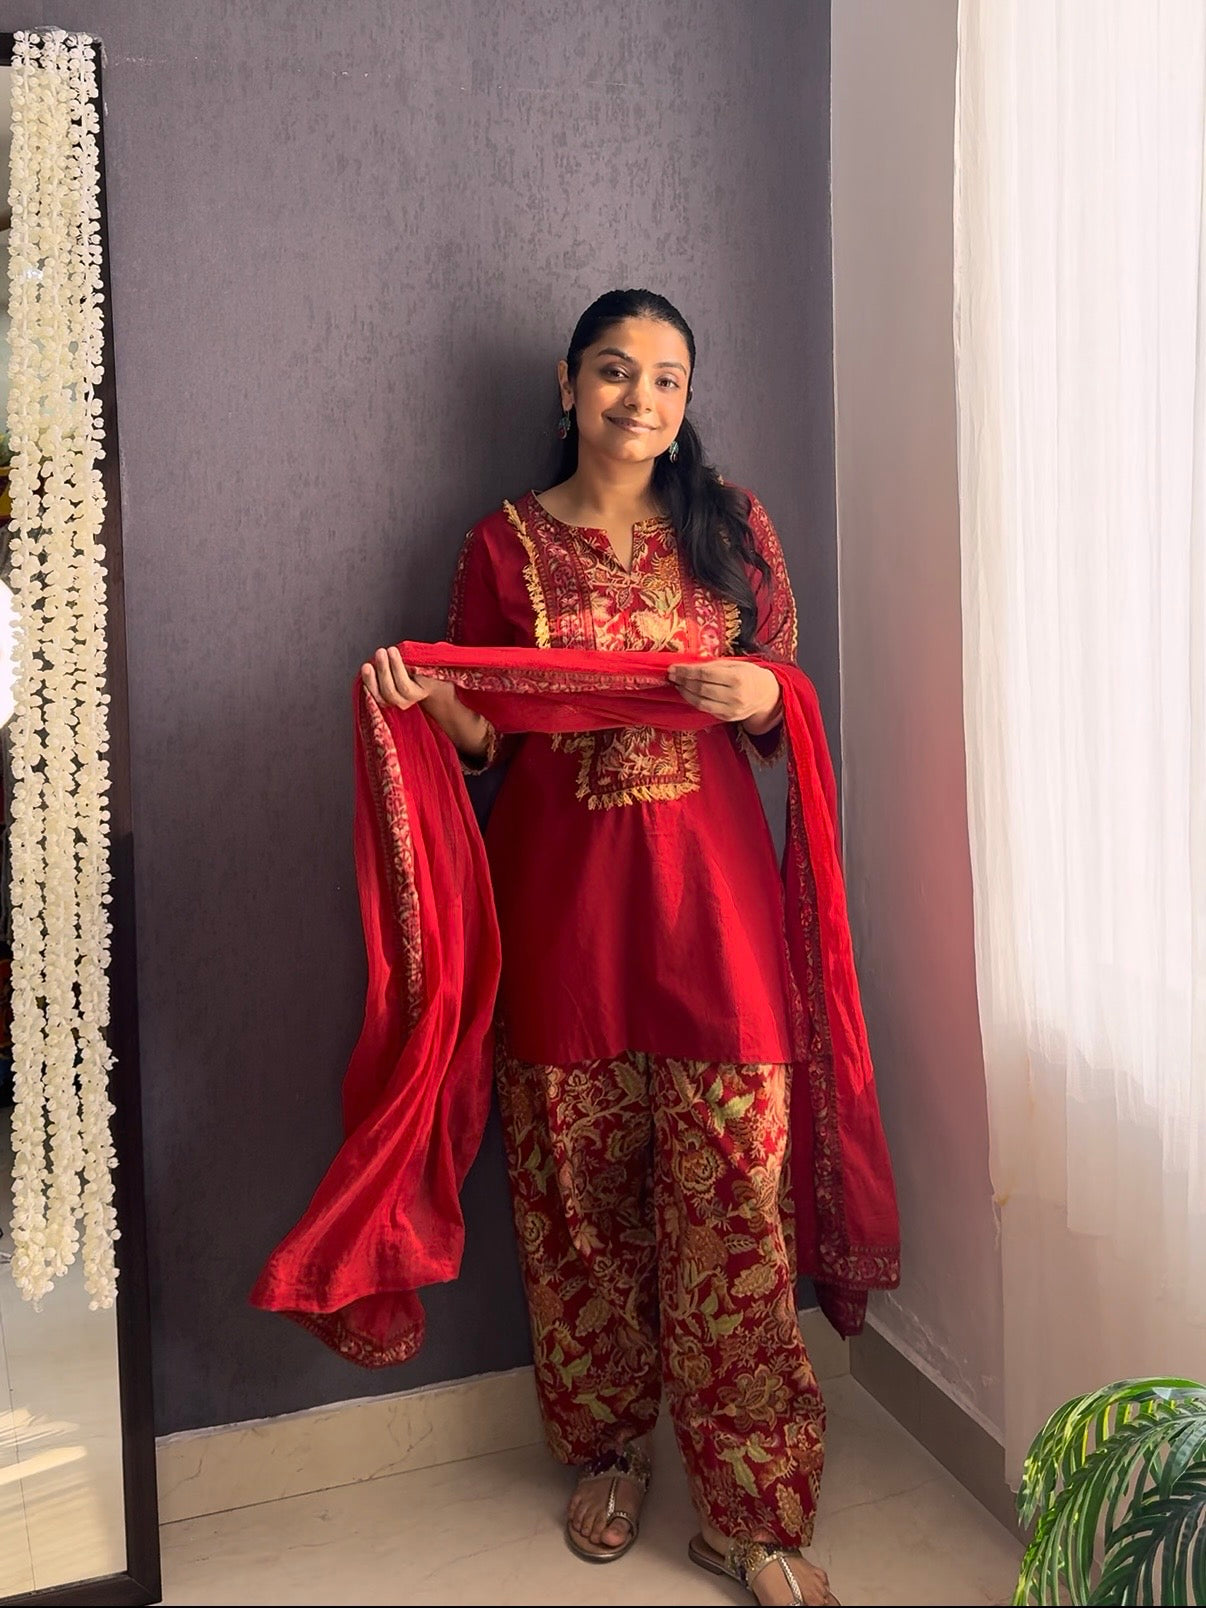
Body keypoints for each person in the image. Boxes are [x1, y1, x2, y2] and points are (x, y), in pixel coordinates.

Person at [360, 289, 848, 1607]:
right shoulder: (501, 546)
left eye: (668, 378)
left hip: (715, 922)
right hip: (564, 915)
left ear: (687, 402)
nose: (642, 398)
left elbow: (782, 706)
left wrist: (766, 689)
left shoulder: (731, 526)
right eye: (617, 371)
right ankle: (610, 1452)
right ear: (569, 384)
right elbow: (490, 735)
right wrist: (432, 706)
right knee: (577, 1203)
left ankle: (752, 1515)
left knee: (734, 1210)